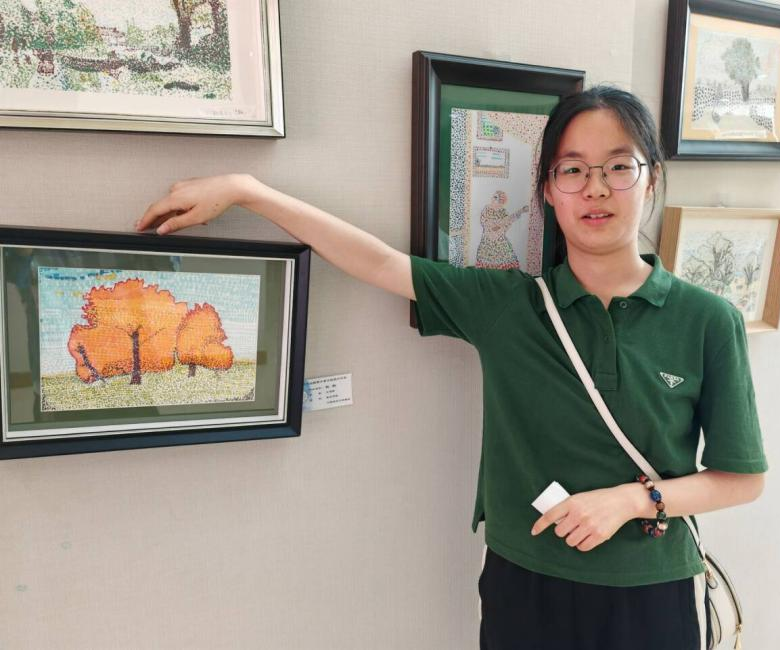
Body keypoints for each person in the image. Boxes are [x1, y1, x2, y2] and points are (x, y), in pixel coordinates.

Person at [135, 85, 768, 650]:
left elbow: (741, 479)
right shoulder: (509, 306)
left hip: (652, 593)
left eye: (618, 167)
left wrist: (634, 500)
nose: (596, 189)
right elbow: (379, 263)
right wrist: (248, 191)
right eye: (573, 170)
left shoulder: (708, 320)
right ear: (548, 191)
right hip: (527, 584)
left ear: (651, 179)